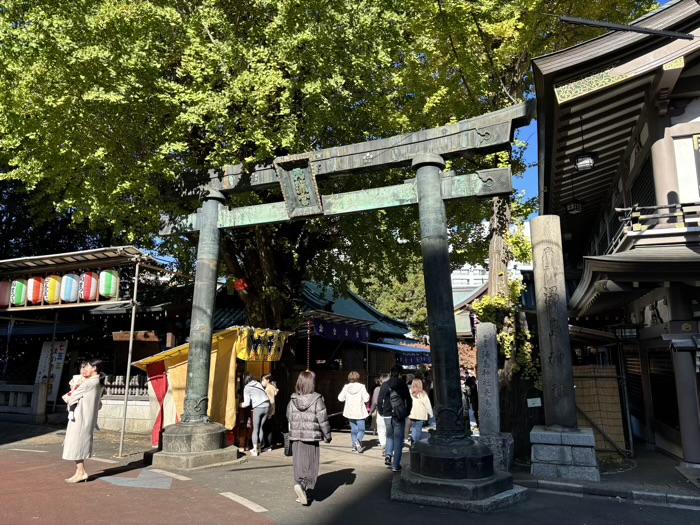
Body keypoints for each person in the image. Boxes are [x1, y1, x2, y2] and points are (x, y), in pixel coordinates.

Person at [287, 371, 332, 506]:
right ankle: (305, 486)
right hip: (311, 438)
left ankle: (299, 486)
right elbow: (323, 419)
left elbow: (289, 417)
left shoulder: (293, 399)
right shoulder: (317, 399)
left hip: (295, 437)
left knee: (298, 464)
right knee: (311, 464)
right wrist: (327, 435)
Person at [62, 358, 106, 483]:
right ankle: (79, 471)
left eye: (87, 366)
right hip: (87, 416)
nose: (83, 369)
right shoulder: (98, 382)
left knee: (77, 443)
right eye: (83, 367)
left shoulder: (89, 383)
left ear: (94, 368)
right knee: (80, 442)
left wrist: (73, 387)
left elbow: (71, 396)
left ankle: (81, 472)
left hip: (80, 416)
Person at [377, 364, 412, 473]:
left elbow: (379, 400)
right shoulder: (403, 385)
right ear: (401, 374)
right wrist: (407, 412)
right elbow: (409, 400)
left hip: (387, 413)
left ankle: (388, 454)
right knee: (398, 438)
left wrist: (381, 411)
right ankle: (396, 465)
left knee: (389, 435)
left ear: (390, 373)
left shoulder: (385, 384)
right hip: (399, 415)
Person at [337, 370, 370, 453]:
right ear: (358, 378)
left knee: (354, 429)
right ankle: (357, 442)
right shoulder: (362, 387)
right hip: (359, 412)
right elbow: (366, 399)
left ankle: (354, 446)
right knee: (361, 429)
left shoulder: (346, 387)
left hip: (350, 412)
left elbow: (340, 398)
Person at [240, 372, 270, 456]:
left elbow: (246, 403)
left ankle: (255, 450)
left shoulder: (247, 388)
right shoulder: (258, 383)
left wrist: (239, 405)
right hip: (266, 406)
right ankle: (259, 448)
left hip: (258, 407)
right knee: (261, 428)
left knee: (255, 429)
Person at [408, 379, 433, 445]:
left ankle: (413, 442)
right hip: (420, 414)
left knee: (414, 428)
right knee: (418, 429)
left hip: (412, 413)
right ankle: (417, 443)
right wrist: (431, 413)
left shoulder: (410, 392)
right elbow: (427, 404)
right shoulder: (423, 393)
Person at [370, 373, 390, 452]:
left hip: (380, 411)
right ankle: (389, 445)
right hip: (391, 412)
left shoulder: (377, 389)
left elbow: (374, 402)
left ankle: (384, 444)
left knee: (381, 429)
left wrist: (370, 411)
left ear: (380, 381)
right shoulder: (393, 388)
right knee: (389, 429)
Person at [261, 373, 279, 452]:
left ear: (268, 380)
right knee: (268, 429)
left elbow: (271, 401)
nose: (262, 381)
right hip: (270, 412)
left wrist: (269, 413)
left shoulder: (269, 388)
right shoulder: (270, 387)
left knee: (267, 429)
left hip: (269, 412)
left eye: (263, 380)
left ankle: (267, 446)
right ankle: (267, 445)